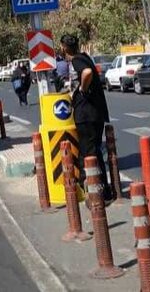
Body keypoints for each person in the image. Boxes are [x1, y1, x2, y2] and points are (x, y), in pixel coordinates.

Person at [60, 34, 114, 202]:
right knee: (95, 152)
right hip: (95, 113)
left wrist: (82, 90)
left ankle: (96, 192)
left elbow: (87, 72)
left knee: (88, 155)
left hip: (86, 115)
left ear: (65, 48)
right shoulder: (85, 57)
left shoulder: (77, 60)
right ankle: (104, 190)